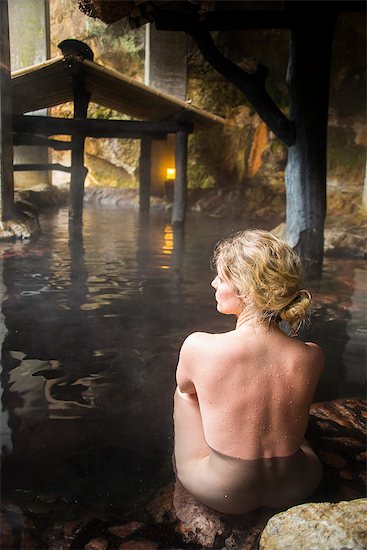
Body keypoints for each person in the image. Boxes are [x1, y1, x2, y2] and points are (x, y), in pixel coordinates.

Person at [173, 229, 324, 515]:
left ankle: (192, 465)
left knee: (184, 394)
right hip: (299, 484)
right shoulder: (312, 355)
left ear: (244, 288)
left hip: (225, 492)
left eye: (222, 276)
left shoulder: (199, 347)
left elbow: (190, 391)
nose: (214, 282)